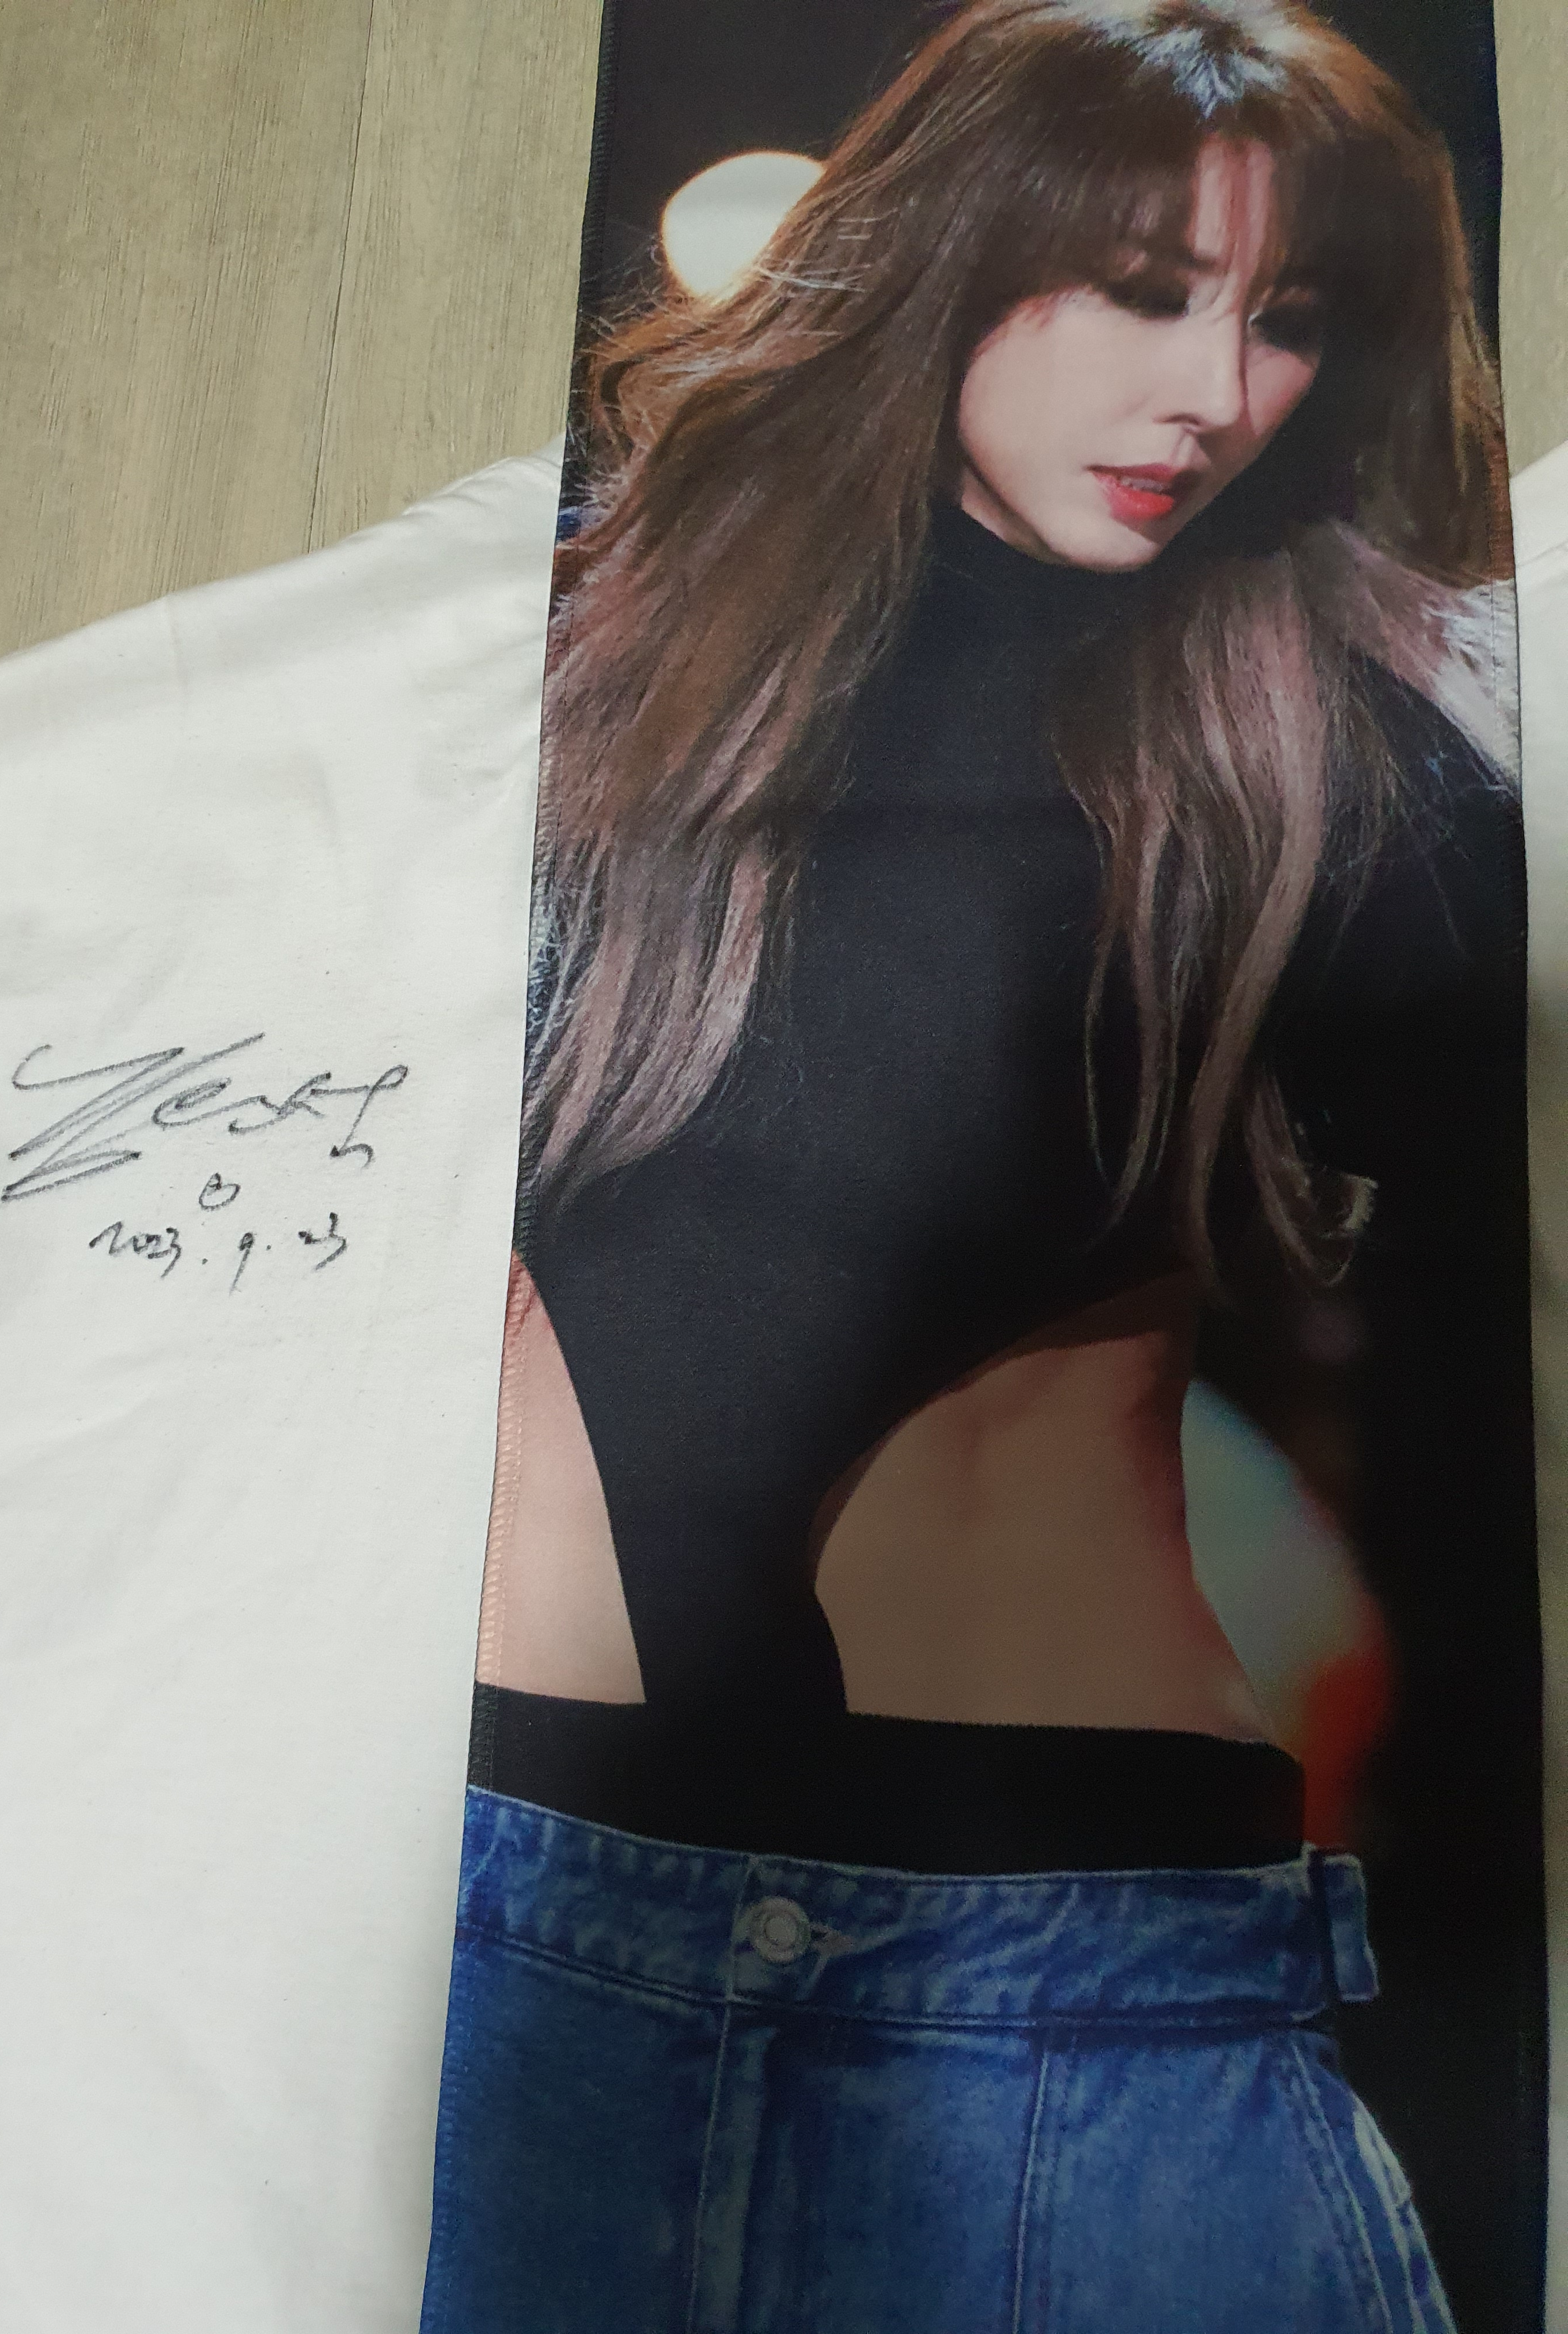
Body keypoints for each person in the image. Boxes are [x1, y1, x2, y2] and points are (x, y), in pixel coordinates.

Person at [423, 1, 1529, 2325]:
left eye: (1289, 323)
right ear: (958, 247)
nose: (1214, 394)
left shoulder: (1341, 772)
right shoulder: (551, 662)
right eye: (1143, 290)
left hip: (1074, 1977)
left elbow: (1473, 1395)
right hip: (508, 1928)